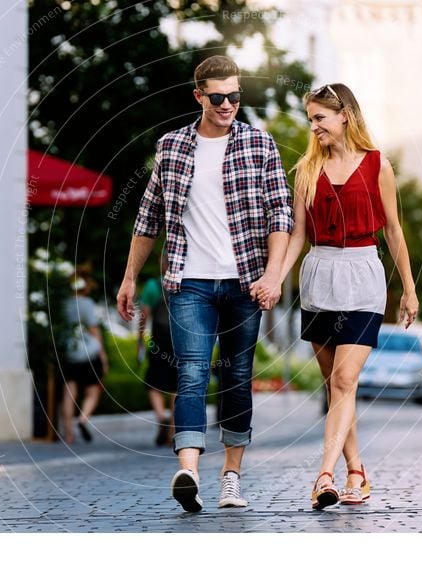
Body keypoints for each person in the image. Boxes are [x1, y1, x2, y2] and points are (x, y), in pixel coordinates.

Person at [117, 55, 293, 512]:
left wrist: (273, 275)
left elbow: (281, 213)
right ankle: (189, 472)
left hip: (245, 283)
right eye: (218, 97)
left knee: (236, 376)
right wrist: (130, 277)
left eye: (235, 95)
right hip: (188, 280)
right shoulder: (172, 147)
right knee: (192, 372)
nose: (228, 104)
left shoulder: (260, 144)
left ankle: (231, 476)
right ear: (198, 96)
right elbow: (148, 217)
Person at [273, 83, 418, 509]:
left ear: (344, 117)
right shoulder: (305, 170)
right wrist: (277, 278)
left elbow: (393, 230)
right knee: (337, 387)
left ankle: (324, 476)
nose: (313, 126)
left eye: (320, 117)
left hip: (363, 276)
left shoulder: (378, 166)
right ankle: (357, 470)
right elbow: (298, 235)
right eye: (310, 119)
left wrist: (408, 288)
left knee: (343, 380)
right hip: (318, 277)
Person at [61, 262, 109, 444]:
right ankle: (82, 419)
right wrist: (103, 356)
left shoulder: (64, 304)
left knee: (69, 391)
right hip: (88, 353)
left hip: (68, 352)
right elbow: (94, 330)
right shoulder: (87, 304)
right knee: (93, 390)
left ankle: (68, 434)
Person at [137, 253, 177, 446]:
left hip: (158, 341)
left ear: (162, 264)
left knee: (153, 383)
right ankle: (172, 432)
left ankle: (161, 415)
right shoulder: (185, 284)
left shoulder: (154, 285)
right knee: (178, 387)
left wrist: (140, 340)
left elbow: (143, 315)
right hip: (181, 341)